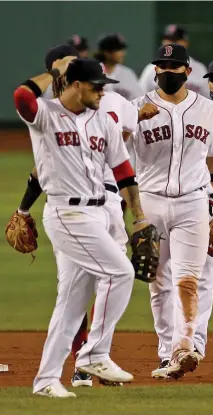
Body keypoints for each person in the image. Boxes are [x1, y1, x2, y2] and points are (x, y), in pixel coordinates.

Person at [13, 57, 157, 397]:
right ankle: (95, 354)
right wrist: (53, 71)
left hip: (98, 212)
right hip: (66, 213)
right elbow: (21, 96)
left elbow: (123, 170)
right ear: (75, 84)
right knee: (119, 272)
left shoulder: (103, 122)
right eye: (95, 85)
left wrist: (138, 215)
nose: (100, 92)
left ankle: (46, 380)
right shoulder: (46, 115)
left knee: (71, 303)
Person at [131, 44, 213, 379]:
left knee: (188, 279)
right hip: (150, 200)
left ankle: (183, 348)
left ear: (187, 71)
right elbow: (120, 158)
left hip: (193, 202)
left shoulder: (207, 110)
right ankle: (166, 352)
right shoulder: (136, 108)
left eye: (174, 66)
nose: (167, 71)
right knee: (158, 281)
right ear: (154, 70)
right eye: (162, 65)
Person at [139, 24, 209, 98]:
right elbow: (140, 97)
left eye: (176, 40)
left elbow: (209, 97)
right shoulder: (151, 69)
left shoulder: (199, 68)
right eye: (168, 40)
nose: (171, 43)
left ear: (186, 43)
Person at [94, 32, 144, 100]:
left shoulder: (127, 73)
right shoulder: (92, 72)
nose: (123, 53)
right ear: (107, 52)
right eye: (118, 50)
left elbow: (139, 99)